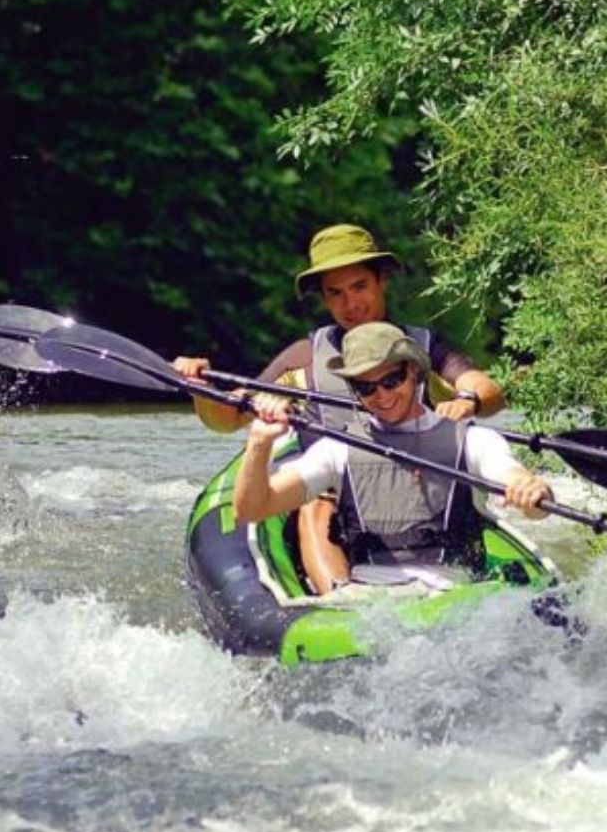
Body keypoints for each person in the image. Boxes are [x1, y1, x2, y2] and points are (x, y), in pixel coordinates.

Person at [174, 224, 505, 593]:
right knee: (321, 499)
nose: (351, 304)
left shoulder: (421, 347)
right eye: (336, 293)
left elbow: (486, 389)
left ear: (382, 281)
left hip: (416, 487)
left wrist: (466, 400)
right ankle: (342, 600)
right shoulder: (302, 358)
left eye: (359, 287)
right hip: (332, 489)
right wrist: (199, 389)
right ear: (325, 299)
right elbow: (230, 417)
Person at [233, 322, 552, 593]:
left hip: (451, 596)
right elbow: (251, 510)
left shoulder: (471, 439)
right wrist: (259, 442)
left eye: (391, 380)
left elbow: (520, 486)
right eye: (366, 388)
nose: (382, 396)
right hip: (370, 602)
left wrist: (530, 488)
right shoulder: (337, 449)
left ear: (412, 371)